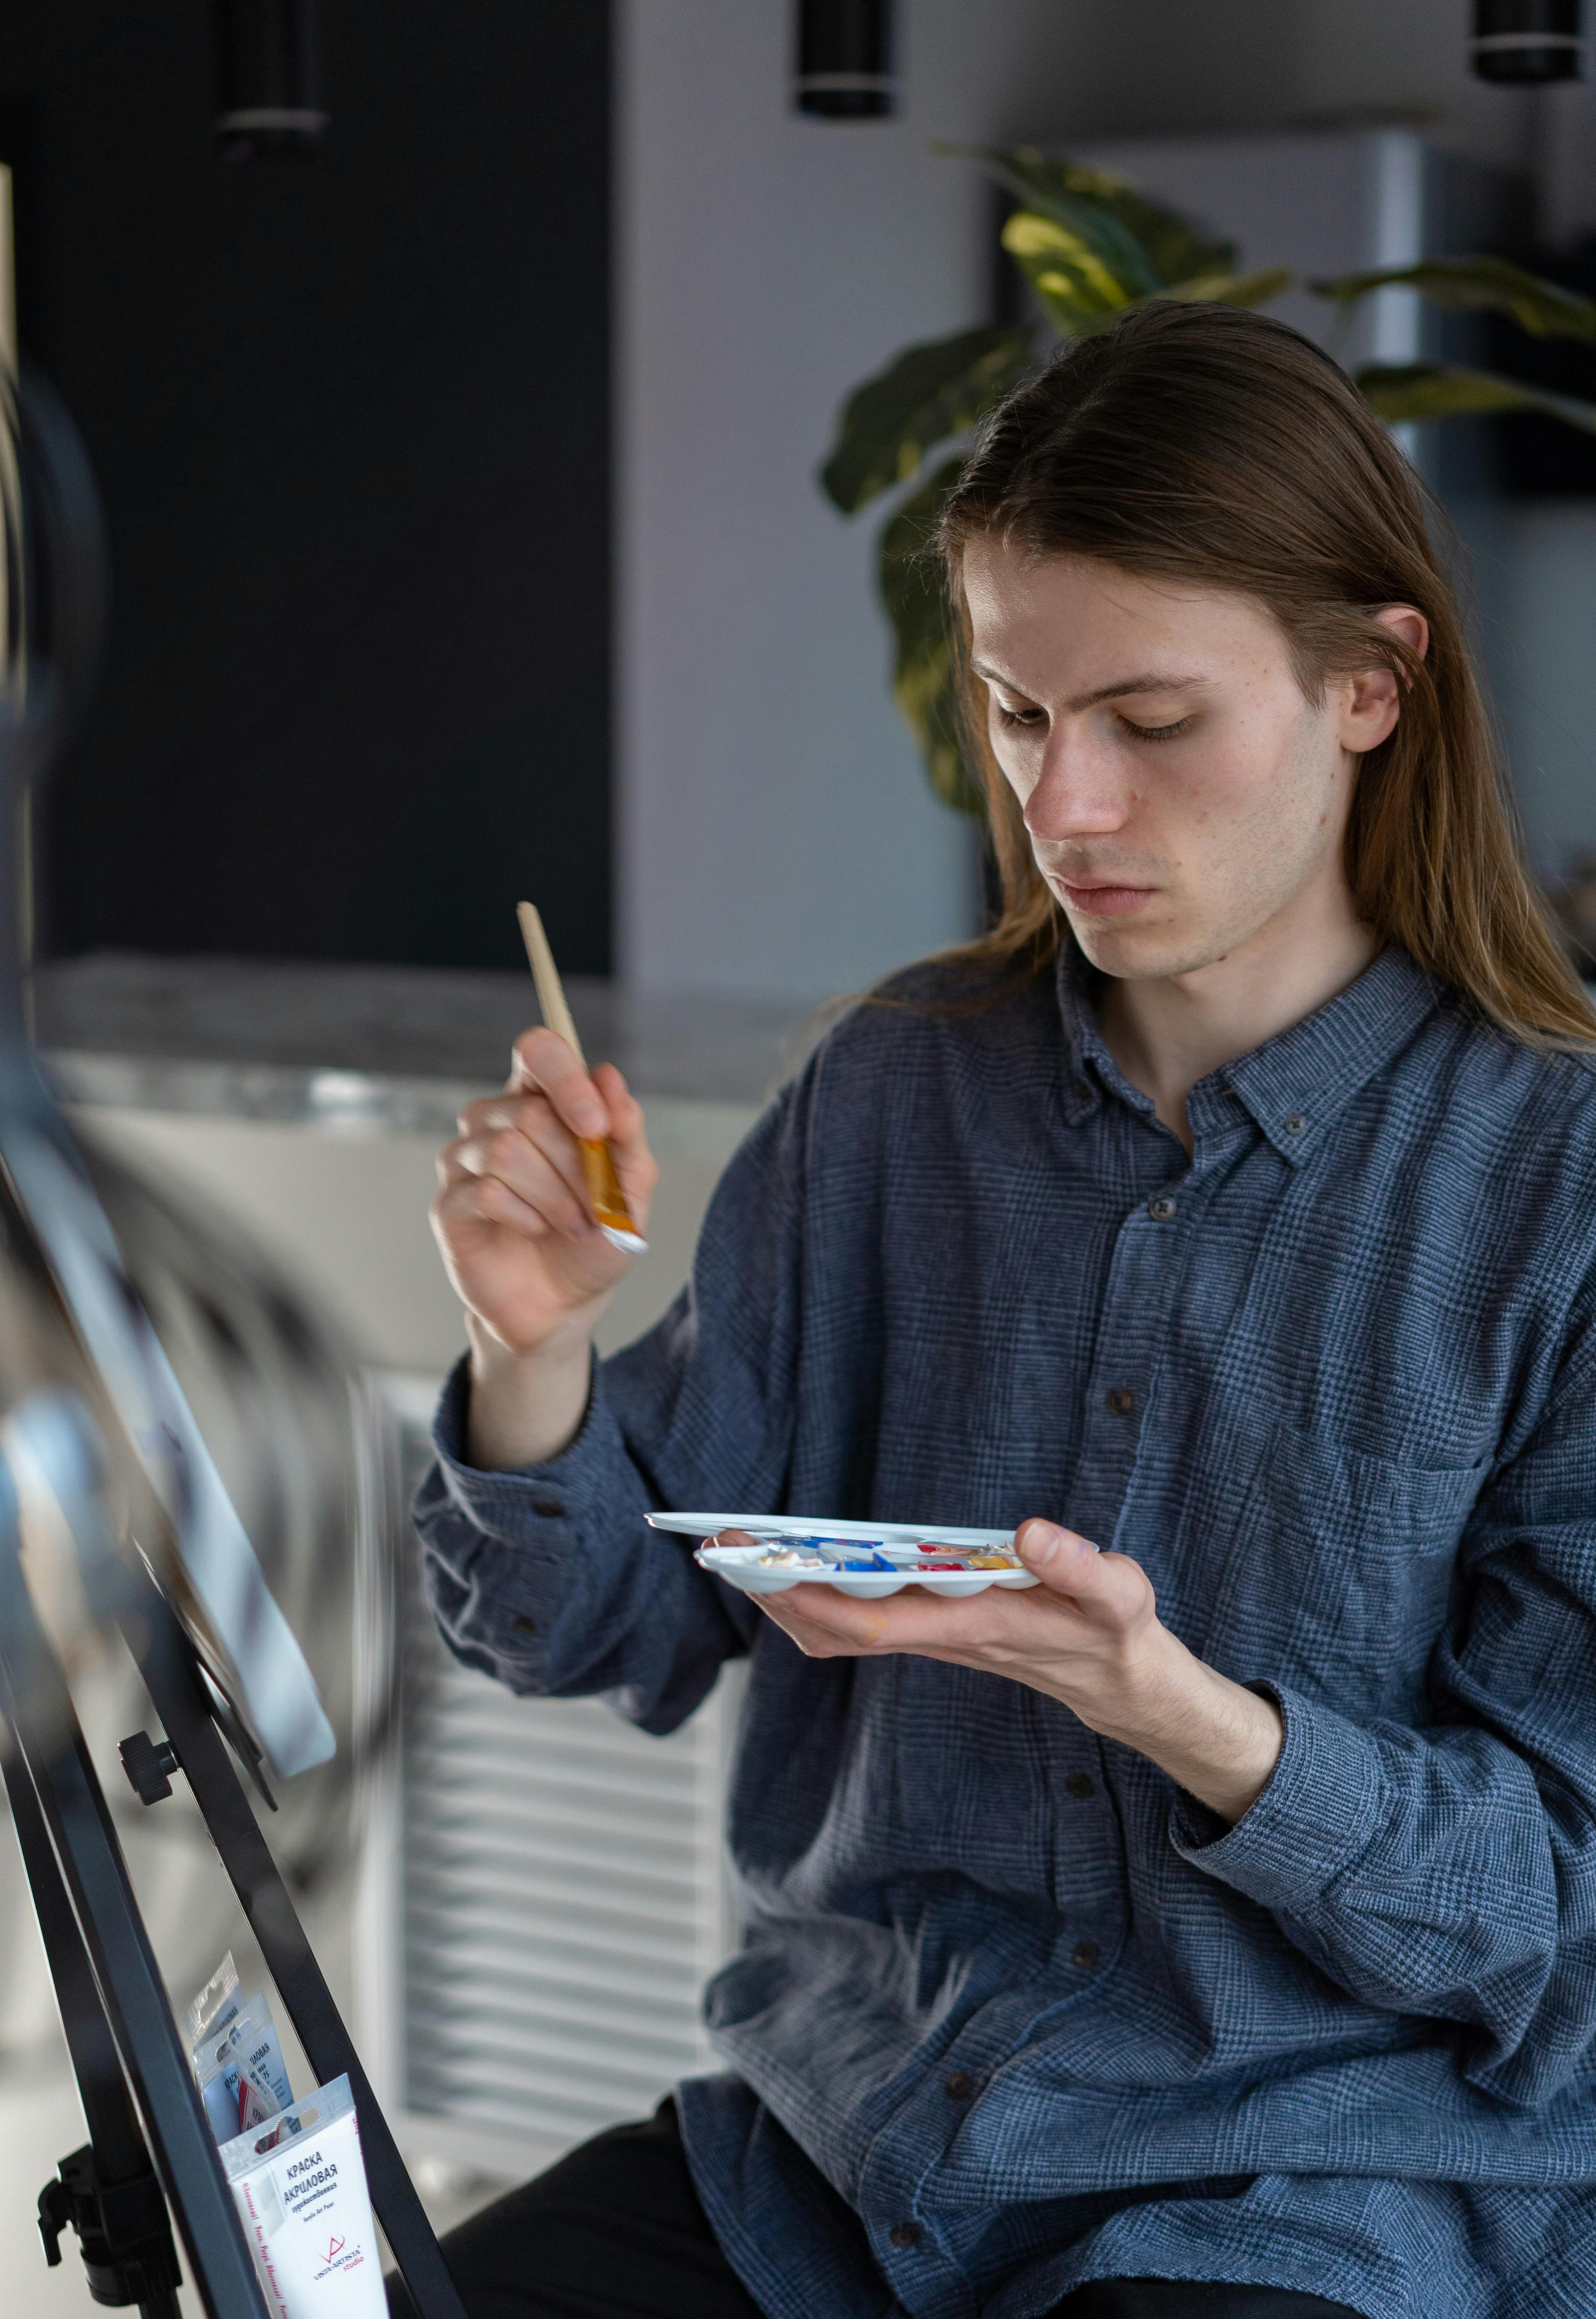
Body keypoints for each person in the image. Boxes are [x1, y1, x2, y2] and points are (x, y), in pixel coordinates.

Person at [395, 304, 1596, 2319]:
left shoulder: (1553, 1184)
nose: (1068, 807)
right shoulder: (890, 1092)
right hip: (848, 2156)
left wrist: (1177, 1713)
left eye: (1150, 719)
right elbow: (592, 1620)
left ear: (1370, 684)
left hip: (1309, 2191)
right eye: (1019, 715)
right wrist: (534, 1348)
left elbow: (1554, 1918)